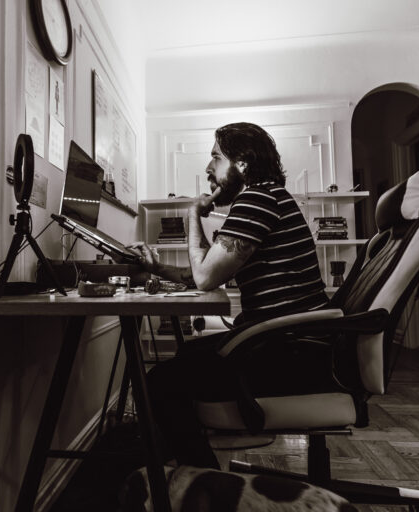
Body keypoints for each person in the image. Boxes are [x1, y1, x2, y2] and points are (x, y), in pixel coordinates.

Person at [128, 122, 330, 469]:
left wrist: (192, 215)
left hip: (289, 353)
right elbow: (208, 269)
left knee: (158, 382)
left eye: (216, 158)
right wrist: (156, 269)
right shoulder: (268, 198)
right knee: (186, 358)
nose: (208, 168)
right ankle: (183, 463)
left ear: (243, 164)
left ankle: (201, 479)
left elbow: (205, 277)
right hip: (293, 345)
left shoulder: (257, 199)